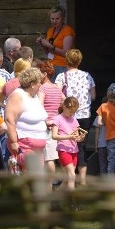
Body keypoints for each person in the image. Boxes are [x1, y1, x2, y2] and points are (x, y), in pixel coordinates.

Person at [56, 49, 96, 186]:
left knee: (66, 145)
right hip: (84, 115)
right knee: (81, 146)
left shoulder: (62, 76)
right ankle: (82, 180)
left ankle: (69, 176)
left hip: (69, 116)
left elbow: (57, 93)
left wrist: (66, 99)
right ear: (79, 61)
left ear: (66, 60)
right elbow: (94, 96)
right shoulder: (87, 76)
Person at [4, 67, 48, 173]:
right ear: (32, 84)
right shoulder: (18, 95)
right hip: (24, 145)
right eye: (39, 82)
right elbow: (10, 119)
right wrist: (14, 142)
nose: (41, 85)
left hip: (38, 148)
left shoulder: (34, 96)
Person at [36, 59, 64, 181]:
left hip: (45, 125)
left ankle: (51, 182)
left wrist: (45, 119)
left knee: (48, 158)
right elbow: (64, 100)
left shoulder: (42, 88)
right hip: (55, 125)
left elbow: (40, 105)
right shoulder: (57, 88)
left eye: (40, 72)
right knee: (52, 156)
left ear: (45, 74)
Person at [52, 96, 85, 191]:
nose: (72, 114)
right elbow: (54, 136)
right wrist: (69, 137)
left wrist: (81, 138)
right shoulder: (58, 118)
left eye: (74, 112)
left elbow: (77, 137)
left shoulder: (74, 119)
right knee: (72, 175)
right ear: (65, 107)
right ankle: (72, 201)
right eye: (71, 112)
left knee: (68, 177)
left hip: (73, 149)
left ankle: (55, 197)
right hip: (63, 149)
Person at [36, 5, 75, 79]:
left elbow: (66, 53)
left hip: (63, 66)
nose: (54, 21)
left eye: (57, 18)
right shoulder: (50, 30)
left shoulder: (67, 31)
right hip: (51, 65)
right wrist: (42, 43)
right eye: (52, 18)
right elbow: (48, 53)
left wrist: (50, 46)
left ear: (63, 18)